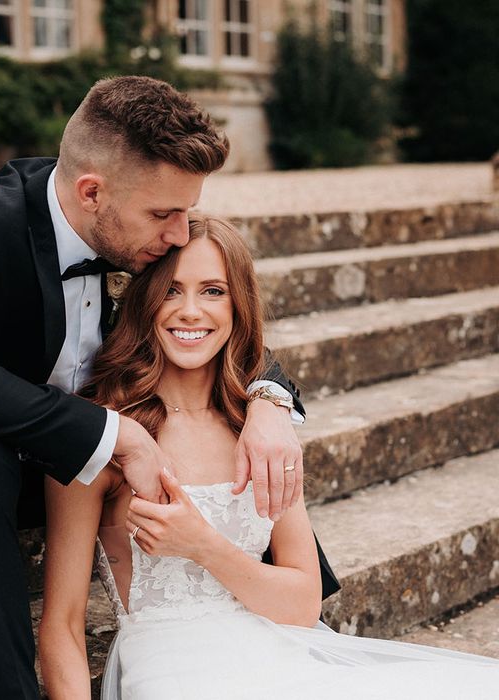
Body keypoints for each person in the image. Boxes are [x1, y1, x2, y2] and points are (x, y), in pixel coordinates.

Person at [0, 76, 332, 700]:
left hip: (60, 466)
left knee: (237, 447)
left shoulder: (139, 247)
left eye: (186, 211)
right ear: (92, 192)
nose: (180, 233)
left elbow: (217, 321)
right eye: (164, 214)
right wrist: (113, 430)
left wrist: (270, 401)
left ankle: (290, 637)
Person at [39, 213, 499, 699]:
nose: (191, 311)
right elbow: (63, 625)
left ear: (240, 305)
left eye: (213, 291)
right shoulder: (104, 435)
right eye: (171, 290)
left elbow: (302, 606)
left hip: (282, 656)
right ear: (142, 302)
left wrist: (203, 545)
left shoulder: (260, 434)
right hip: (172, 671)